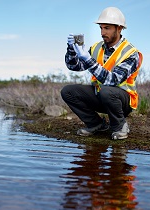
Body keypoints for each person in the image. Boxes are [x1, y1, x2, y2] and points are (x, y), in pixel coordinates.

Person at [61, 7, 143, 140]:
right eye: (101, 28)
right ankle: (96, 124)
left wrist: (88, 59)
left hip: (122, 101)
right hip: (101, 95)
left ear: (119, 28)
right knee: (68, 91)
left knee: (107, 90)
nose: (102, 32)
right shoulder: (97, 48)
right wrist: (71, 50)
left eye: (107, 28)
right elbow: (74, 66)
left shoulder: (131, 53)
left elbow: (113, 80)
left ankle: (120, 126)